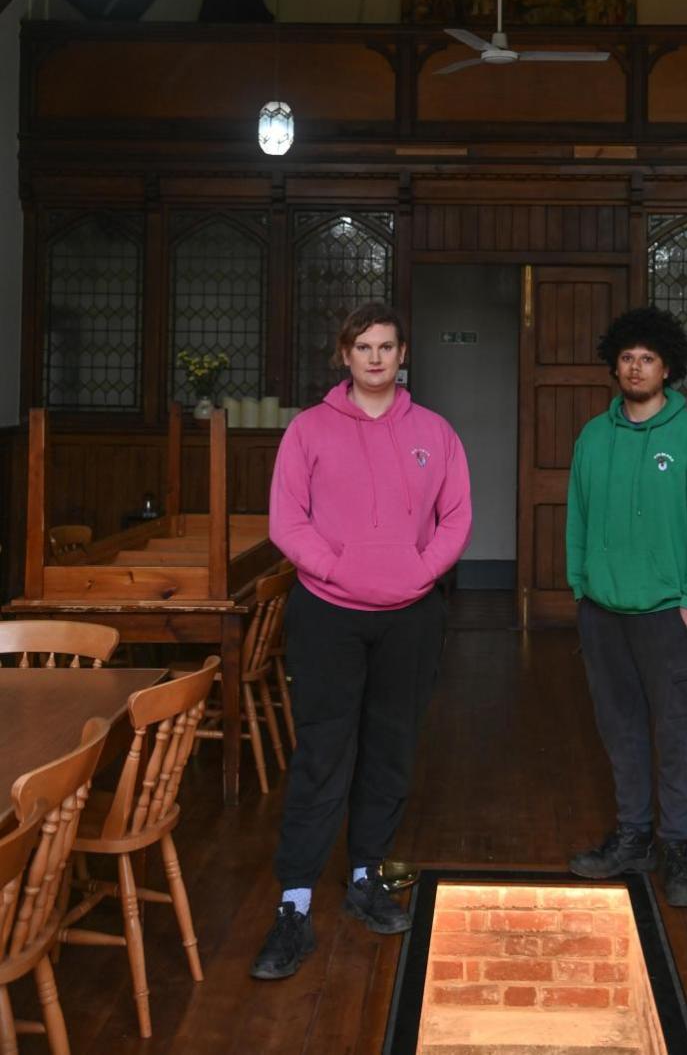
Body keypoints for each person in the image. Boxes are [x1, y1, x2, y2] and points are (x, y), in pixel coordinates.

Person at [251, 302, 471, 979]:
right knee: (322, 752)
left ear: (402, 355)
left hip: (410, 617)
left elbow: (457, 513)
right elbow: (287, 520)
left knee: (391, 749)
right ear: (343, 355)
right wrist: (339, 567)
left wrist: (420, 570)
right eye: (362, 346)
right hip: (327, 612)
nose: (375, 357)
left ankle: (365, 878)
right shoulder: (309, 430)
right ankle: (293, 904)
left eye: (386, 346)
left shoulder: (435, 430)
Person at [566, 307, 687, 907]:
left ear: (668, 369)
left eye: (648, 359)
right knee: (621, 729)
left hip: (667, 614)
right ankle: (633, 835)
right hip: (603, 610)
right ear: (616, 365)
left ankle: (677, 846)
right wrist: (580, 584)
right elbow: (577, 516)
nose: (636, 368)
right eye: (628, 358)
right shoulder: (593, 435)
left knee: (676, 732)